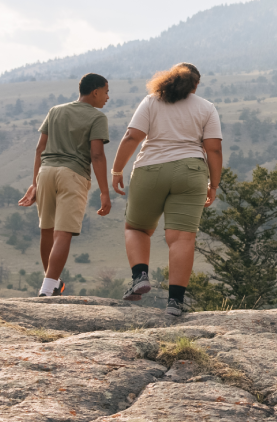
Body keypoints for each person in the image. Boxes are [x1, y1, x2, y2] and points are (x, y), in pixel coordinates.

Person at [111, 63, 223, 317]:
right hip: (191, 173)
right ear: (196, 85)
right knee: (182, 238)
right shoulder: (206, 108)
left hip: (150, 170)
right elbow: (214, 149)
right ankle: (175, 303)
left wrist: (116, 170)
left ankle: (140, 276)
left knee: (137, 228)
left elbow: (131, 136)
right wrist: (213, 185)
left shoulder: (152, 101)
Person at [16, 73, 113, 296]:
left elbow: (40, 148)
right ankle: (47, 289)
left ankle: (51, 283)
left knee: (47, 231)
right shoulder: (98, 117)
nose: (108, 97)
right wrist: (104, 193)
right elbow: (97, 155)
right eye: (106, 92)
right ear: (95, 92)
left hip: (46, 173)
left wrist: (34, 183)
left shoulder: (55, 111)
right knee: (63, 233)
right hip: (73, 175)